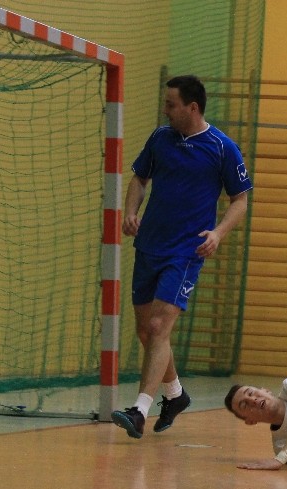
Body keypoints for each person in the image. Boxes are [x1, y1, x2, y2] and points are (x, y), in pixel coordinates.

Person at [111, 74, 253, 439]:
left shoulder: (222, 147)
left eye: (171, 104)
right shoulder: (160, 138)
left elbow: (240, 200)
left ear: (192, 107)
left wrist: (218, 233)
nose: (165, 110)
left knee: (160, 326)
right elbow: (140, 178)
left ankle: (139, 410)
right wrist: (131, 212)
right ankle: (175, 394)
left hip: (186, 251)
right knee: (146, 330)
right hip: (149, 246)